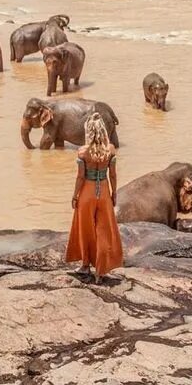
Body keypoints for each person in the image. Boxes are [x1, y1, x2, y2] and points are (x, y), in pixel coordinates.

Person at [65, 112, 123, 283]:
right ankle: (101, 270)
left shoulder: (83, 152)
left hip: (87, 192)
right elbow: (112, 175)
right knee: (104, 230)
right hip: (104, 190)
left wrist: (75, 195)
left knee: (85, 229)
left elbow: (80, 177)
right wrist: (114, 193)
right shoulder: (110, 150)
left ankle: (85, 266)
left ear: (88, 131)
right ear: (103, 131)